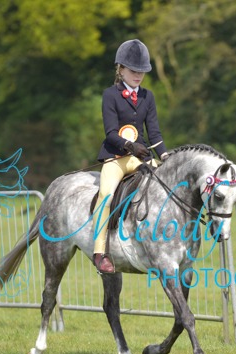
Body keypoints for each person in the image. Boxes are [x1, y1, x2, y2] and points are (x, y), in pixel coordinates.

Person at [92, 39, 168, 274]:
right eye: (134, 71)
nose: (138, 75)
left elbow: (154, 133)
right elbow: (110, 133)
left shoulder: (148, 96)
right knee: (105, 195)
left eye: (142, 71)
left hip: (140, 157)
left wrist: (165, 155)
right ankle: (99, 252)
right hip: (116, 157)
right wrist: (129, 146)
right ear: (121, 69)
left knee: (166, 185)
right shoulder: (110, 95)